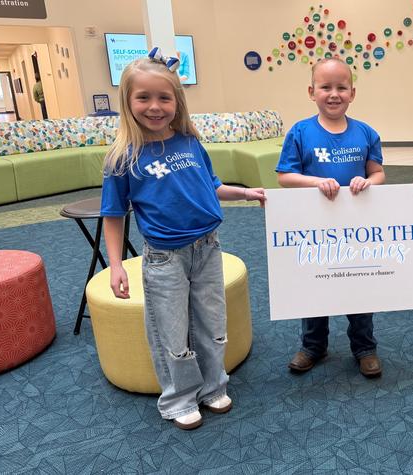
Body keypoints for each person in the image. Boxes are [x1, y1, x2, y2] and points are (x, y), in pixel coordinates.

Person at [100, 49, 266, 430]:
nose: (155, 107)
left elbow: (212, 185)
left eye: (164, 97)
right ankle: (178, 399)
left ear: (177, 101)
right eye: (143, 97)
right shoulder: (122, 158)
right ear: (127, 101)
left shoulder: (190, 142)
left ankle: (213, 387)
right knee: (171, 332)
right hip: (164, 258)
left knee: (212, 324)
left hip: (208, 248)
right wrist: (114, 266)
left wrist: (243, 193)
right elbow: (113, 216)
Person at [276, 57, 386, 378]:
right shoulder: (300, 132)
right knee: (315, 287)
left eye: (341, 87)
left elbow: (378, 174)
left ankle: (365, 347)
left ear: (353, 93)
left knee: (358, 285)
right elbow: (285, 176)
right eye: (326, 87)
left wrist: (367, 182)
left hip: (356, 228)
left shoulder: (366, 133)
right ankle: (313, 346)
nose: (333, 94)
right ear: (312, 92)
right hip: (314, 228)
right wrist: (316, 182)